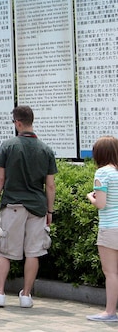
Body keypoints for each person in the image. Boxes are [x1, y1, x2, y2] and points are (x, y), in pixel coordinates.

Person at [0, 105, 56, 309]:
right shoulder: (46, 150)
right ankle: (26, 295)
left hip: (12, 205)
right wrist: (50, 211)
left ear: (18, 123)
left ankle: (1, 293)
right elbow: (50, 185)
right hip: (38, 208)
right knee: (33, 252)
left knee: (4, 252)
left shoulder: (8, 146)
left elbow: (0, 179)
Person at [87, 135, 118, 322]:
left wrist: (90, 197)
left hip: (109, 227)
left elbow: (101, 204)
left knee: (111, 272)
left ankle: (109, 312)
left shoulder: (102, 173)